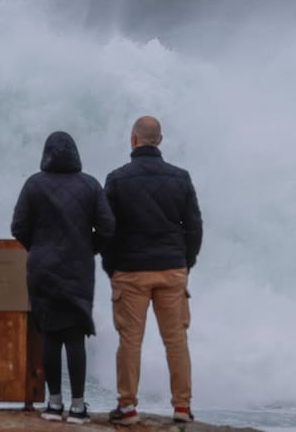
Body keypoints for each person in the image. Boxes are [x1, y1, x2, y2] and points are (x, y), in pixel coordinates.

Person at [102, 116, 203, 426]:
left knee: (130, 341)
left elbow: (107, 229)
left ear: (134, 139)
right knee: (176, 341)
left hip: (130, 271)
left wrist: (111, 266)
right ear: (159, 141)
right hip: (172, 269)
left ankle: (128, 407)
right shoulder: (180, 178)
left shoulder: (117, 179)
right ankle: (182, 407)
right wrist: (185, 263)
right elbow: (195, 227)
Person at [11, 131, 115, 425]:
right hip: (77, 269)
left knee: (50, 335)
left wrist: (39, 249)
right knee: (74, 335)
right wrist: (87, 248)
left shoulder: (34, 185)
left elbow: (18, 226)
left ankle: (54, 404)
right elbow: (107, 228)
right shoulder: (90, 185)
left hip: (41, 269)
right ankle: (78, 406)